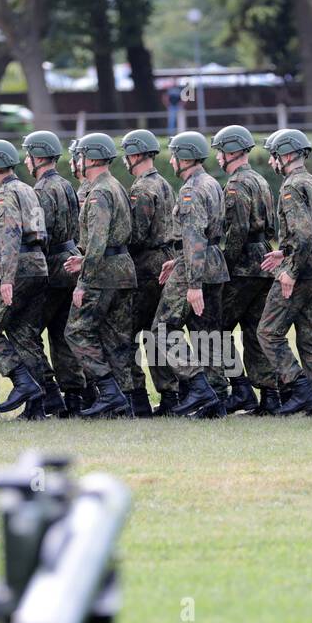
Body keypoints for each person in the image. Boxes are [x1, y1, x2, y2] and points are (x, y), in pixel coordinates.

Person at [257, 129, 312, 416]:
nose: (271, 162)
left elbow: (303, 233)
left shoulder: (291, 187)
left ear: (287, 155)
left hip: (302, 270)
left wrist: (289, 269)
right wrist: (286, 249)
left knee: (267, 332)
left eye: (274, 156)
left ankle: (300, 390)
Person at [0, 139, 51, 416]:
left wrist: (6, 276)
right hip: (37, 264)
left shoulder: (4, 194)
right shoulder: (27, 189)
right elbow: (35, 232)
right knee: (23, 334)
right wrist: (3, 257)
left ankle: (22, 381)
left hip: (18, 270)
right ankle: (39, 405)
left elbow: (11, 233)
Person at [152, 131, 231, 417]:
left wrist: (192, 282)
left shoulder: (189, 190)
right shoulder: (211, 183)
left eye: (174, 155)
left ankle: (198, 385)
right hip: (213, 264)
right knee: (207, 335)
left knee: (160, 330)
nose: (171, 160)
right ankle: (217, 400)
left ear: (185, 158)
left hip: (194, 269)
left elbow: (194, 234)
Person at [63, 133, 138, 418]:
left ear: (91, 158)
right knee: (116, 338)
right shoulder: (115, 185)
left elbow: (97, 239)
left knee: (76, 331)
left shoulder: (98, 192)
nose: (78, 161)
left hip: (103, 273)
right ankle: (126, 403)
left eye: (81, 155)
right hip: (121, 269)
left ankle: (108, 391)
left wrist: (84, 279)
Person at [212, 124, 279, 415]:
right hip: (263, 261)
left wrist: (223, 266)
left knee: (215, 326)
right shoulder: (261, 180)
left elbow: (236, 231)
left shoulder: (237, 185)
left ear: (233, 151)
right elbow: (272, 224)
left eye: (220, 151)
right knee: (253, 331)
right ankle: (270, 395)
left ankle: (239, 389)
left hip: (243, 267)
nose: (217, 157)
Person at [23, 129, 84, 416]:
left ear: (37, 157)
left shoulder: (40, 191)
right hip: (70, 261)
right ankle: (74, 396)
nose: (25, 161)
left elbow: (38, 234)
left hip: (51, 266)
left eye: (28, 155)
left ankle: (47, 393)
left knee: (26, 331)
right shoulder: (67, 185)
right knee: (61, 334)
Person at [120, 129, 178, 416]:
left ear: (136, 154)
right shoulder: (164, 183)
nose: (125, 159)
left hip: (146, 265)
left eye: (128, 153)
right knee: (156, 334)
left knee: (127, 332)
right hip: (166, 258)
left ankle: (137, 397)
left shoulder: (141, 189)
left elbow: (137, 234)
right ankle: (170, 394)